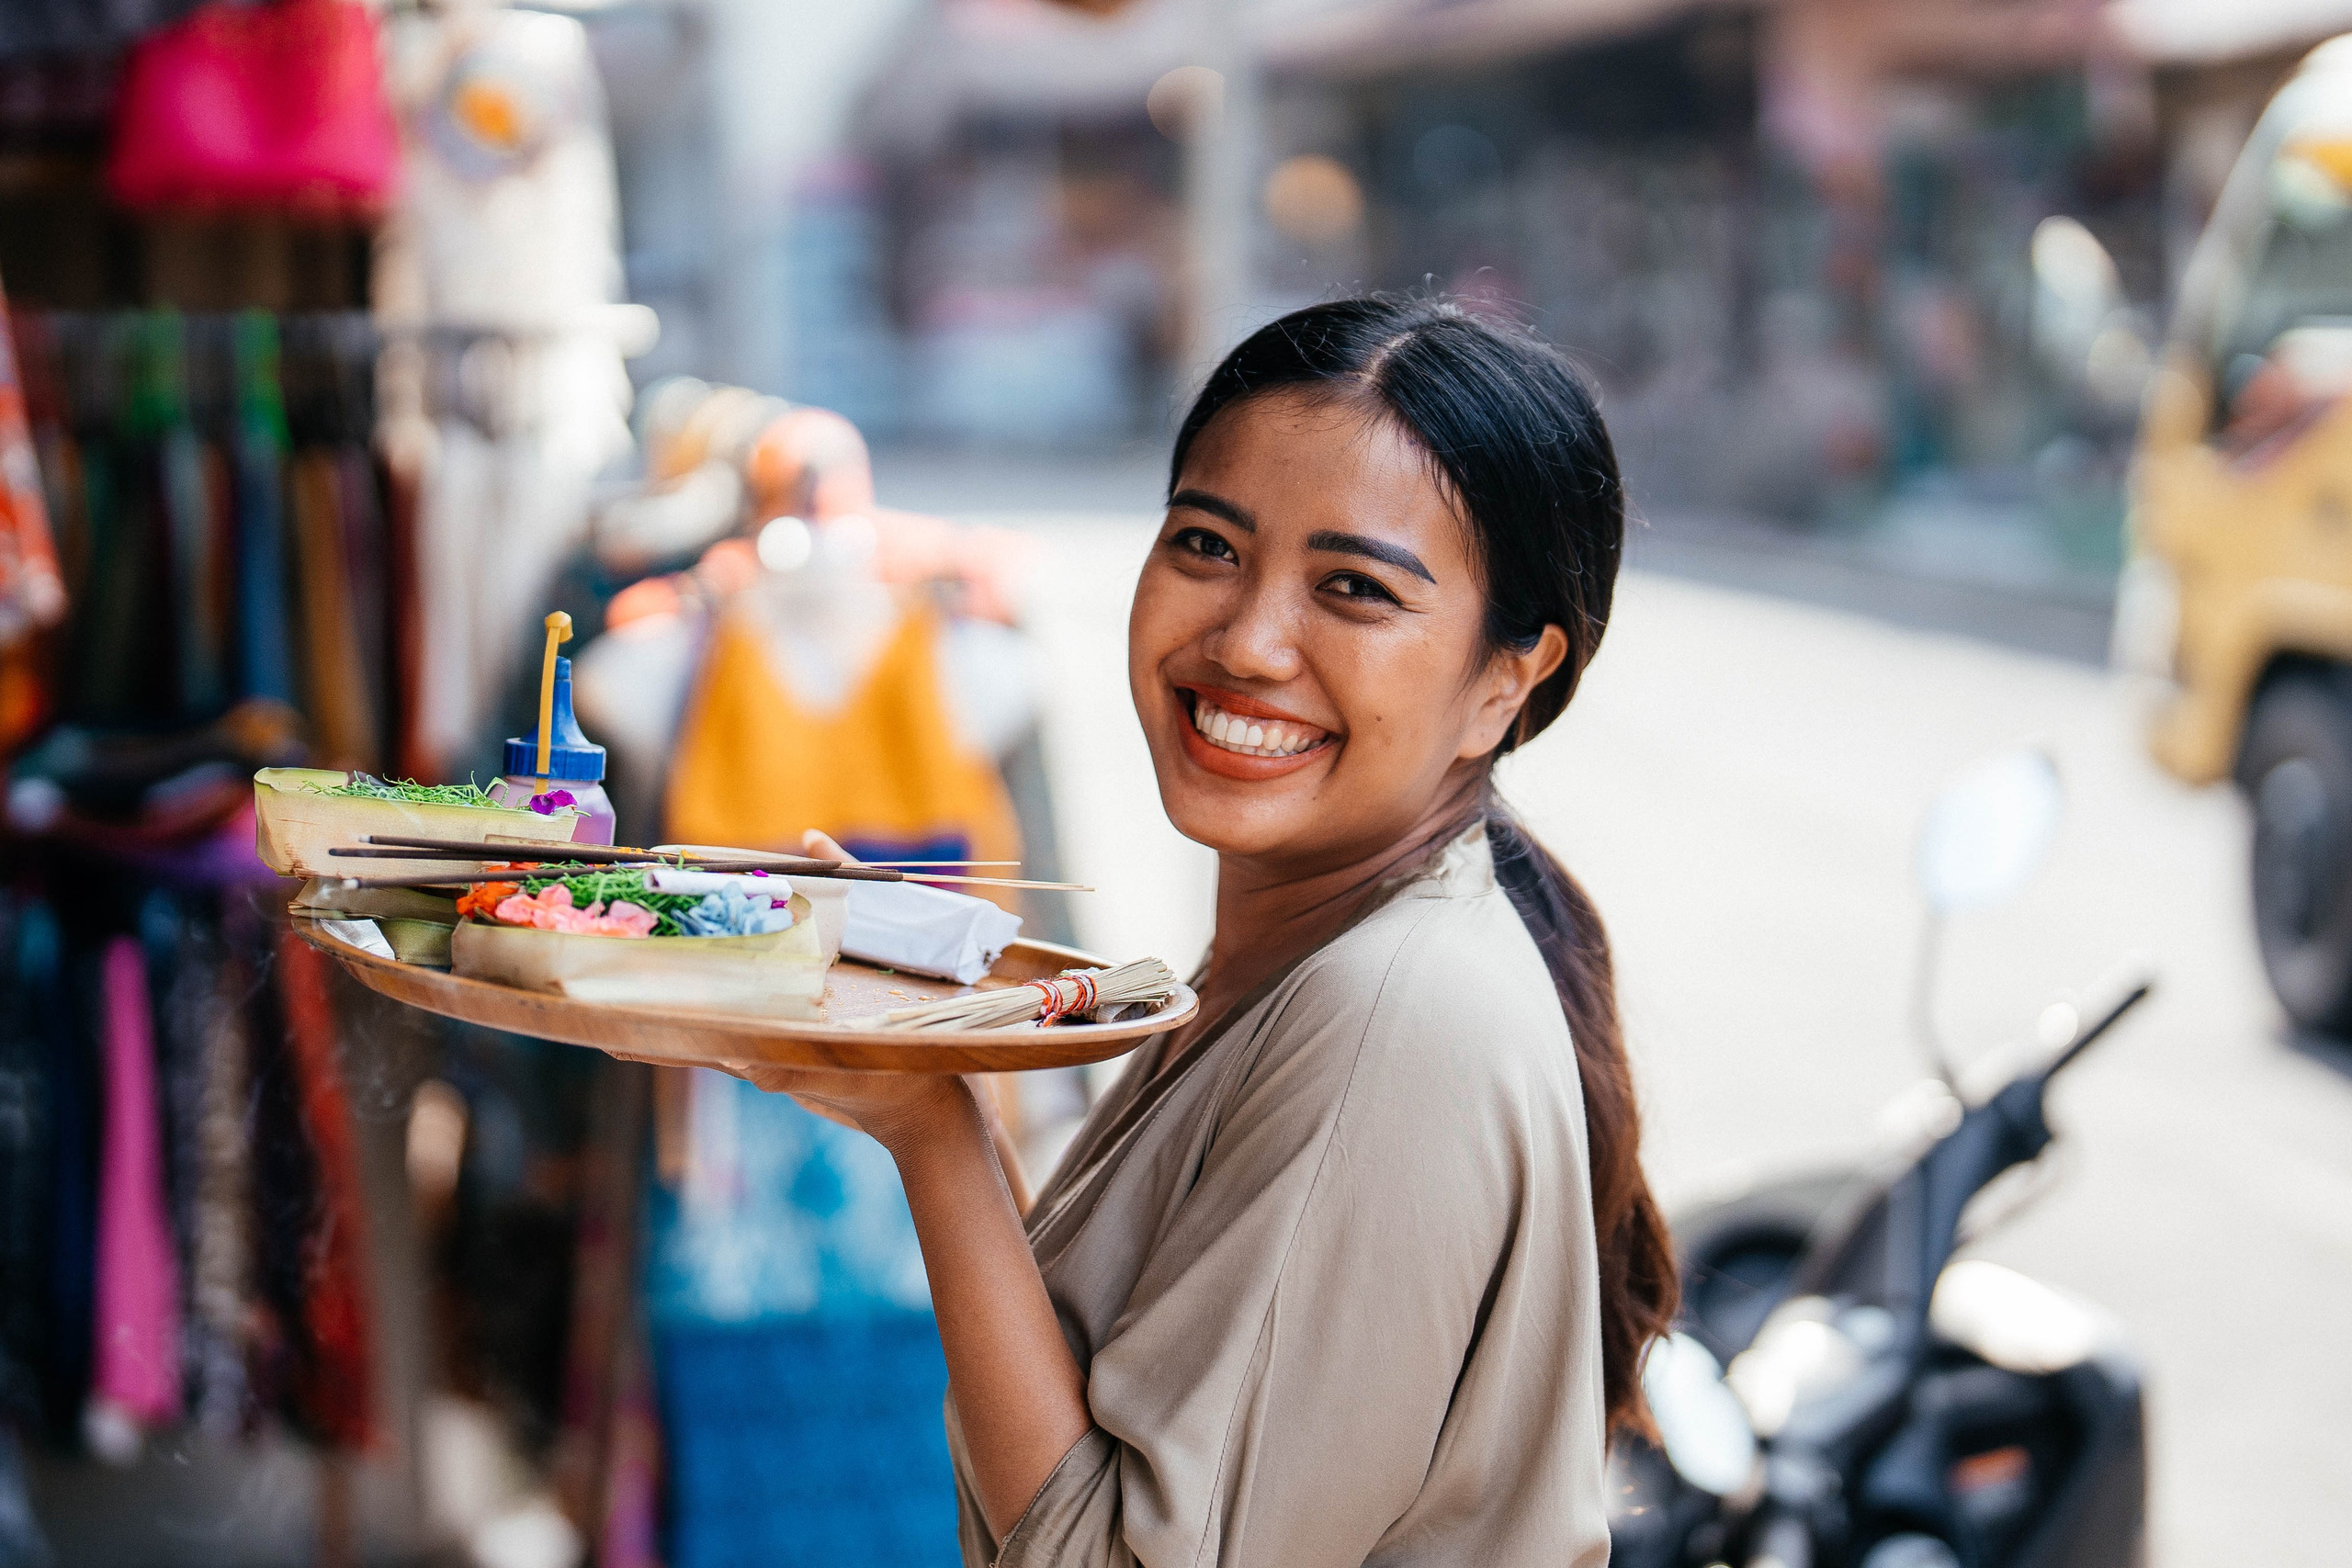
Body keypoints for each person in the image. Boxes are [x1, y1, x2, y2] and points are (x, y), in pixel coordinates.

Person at [744, 297, 1678, 1567]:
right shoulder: (1300, 961)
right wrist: (924, 1093)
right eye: (1208, 545)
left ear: (1504, 683)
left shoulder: (1387, 1018)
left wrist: (937, 1126)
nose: (1246, 641)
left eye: (1353, 588)